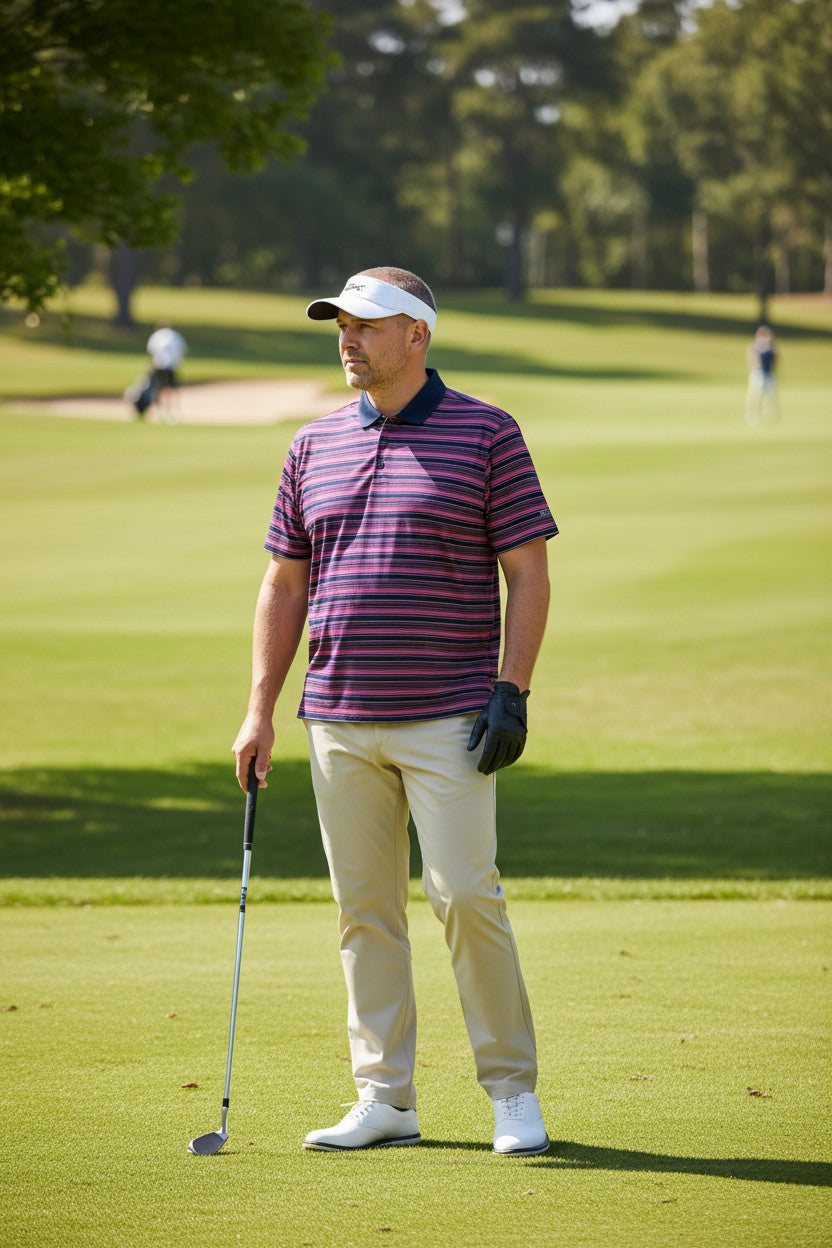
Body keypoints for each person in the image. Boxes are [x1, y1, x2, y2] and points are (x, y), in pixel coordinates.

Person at [232, 267, 558, 1156]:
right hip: (335, 716)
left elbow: (527, 571)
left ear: (417, 335)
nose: (348, 339)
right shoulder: (312, 444)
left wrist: (512, 690)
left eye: (366, 326)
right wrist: (259, 710)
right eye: (340, 325)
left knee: (465, 898)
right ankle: (385, 1096)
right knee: (363, 910)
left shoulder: (487, 432)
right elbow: (284, 580)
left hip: (447, 717)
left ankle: (511, 1093)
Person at [146, 322, 187, 418]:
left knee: (158, 388)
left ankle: (157, 409)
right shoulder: (176, 336)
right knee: (171, 388)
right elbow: (183, 351)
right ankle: (171, 409)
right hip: (171, 366)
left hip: (158, 365)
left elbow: (151, 351)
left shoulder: (156, 336)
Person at [745, 324, 777, 425]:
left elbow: (774, 361)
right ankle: (752, 414)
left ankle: (771, 415)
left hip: (768, 374)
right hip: (758, 373)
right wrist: (756, 369)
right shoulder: (755, 346)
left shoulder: (770, 347)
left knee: (771, 395)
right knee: (756, 395)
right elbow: (752, 359)